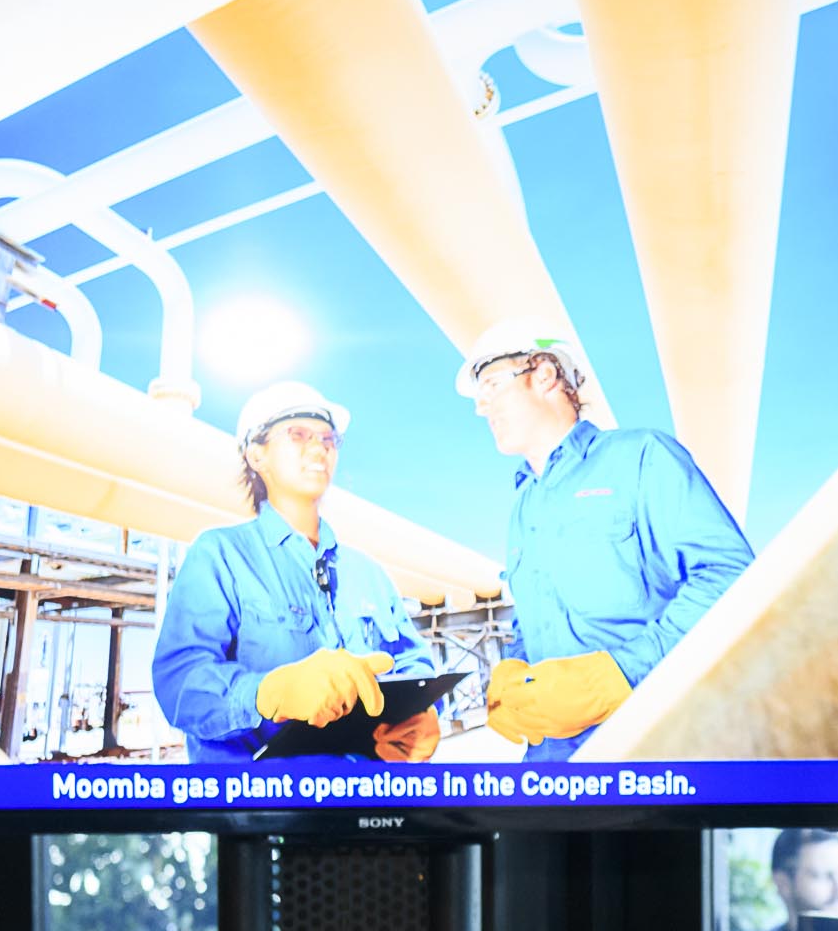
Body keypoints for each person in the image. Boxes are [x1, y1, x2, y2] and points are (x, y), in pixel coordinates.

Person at [457, 319, 755, 761]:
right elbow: (534, 618)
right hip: (551, 765)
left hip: (652, 754)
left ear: (545, 375)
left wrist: (623, 672)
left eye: (493, 385)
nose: (481, 406)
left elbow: (731, 578)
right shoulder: (524, 503)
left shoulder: (642, 458)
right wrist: (513, 665)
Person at [151, 382, 439, 764]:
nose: (320, 449)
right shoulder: (220, 556)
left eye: (328, 439)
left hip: (368, 794)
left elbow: (412, 664)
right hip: (261, 798)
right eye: (298, 435)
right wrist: (267, 693)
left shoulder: (368, 574)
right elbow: (179, 683)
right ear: (256, 454)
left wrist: (422, 714)